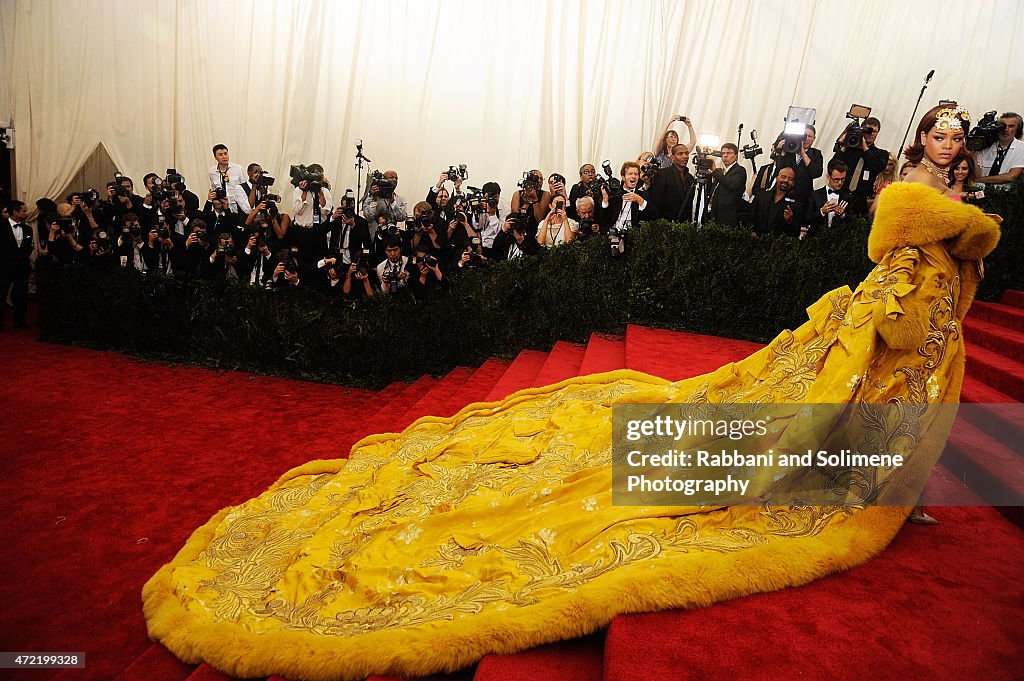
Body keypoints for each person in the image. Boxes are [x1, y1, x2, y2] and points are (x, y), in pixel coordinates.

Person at [143, 106, 1002, 681]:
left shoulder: (953, 196)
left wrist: (959, 255)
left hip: (926, 328)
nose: (947, 144)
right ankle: (871, 482)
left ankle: (894, 486)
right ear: (921, 141)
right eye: (940, 134)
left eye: (957, 137)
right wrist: (960, 238)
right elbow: (892, 241)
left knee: (899, 415)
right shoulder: (918, 195)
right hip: (893, 319)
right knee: (809, 422)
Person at [829, 116, 889, 216]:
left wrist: (864, 146)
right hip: (842, 194)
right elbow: (832, 166)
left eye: (874, 131)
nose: (871, 134)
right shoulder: (849, 150)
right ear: (862, 130)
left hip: (861, 199)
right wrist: (845, 145)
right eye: (868, 130)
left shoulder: (881, 153)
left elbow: (876, 167)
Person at [1, 200, 34, 330]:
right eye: (23, 210)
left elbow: (28, 247)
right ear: (14, 212)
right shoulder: (2, 227)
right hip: (4, 266)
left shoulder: (28, 229)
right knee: (1, 293)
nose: (26, 213)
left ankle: (20, 321)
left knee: (21, 295)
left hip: (22, 266)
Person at [750, 167, 803, 237]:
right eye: (783, 177)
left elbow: (795, 234)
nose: (786, 180)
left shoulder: (795, 206)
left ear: (793, 183)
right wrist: (751, 232)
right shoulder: (761, 196)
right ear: (776, 178)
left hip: (777, 246)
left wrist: (790, 221)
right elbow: (749, 217)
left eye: (790, 179)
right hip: (755, 242)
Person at [974, 112, 1024, 187]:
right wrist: (972, 153)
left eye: (1011, 126)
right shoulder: (986, 146)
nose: (1006, 129)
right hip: (980, 192)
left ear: (1018, 129)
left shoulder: (1021, 148)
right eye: (1002, 126)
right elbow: (975, 174)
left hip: (1005, 195)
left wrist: (980, 179)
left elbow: (1011, 176)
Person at [805, 160, 850, 236]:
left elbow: (853, 221)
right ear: (828, 177)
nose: (840, 183)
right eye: (836, 179)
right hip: (816, 240)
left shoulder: (848, 197)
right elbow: (807, 218)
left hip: (840, 240)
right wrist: (822, 211)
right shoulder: (814, 195)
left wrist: (843, 214)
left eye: (843, 179)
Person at [707, 143, 746, 227]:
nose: (725, 156)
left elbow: (732, 185)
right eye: (723, 153)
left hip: (728, 215)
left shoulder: (740, 170)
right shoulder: (720, 172)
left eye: (729, 153)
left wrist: (714, 172)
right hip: (714, 212)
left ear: (736, 156)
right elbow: (711, 190)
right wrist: (709, 175)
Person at [207, 144, 252, 214]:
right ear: (215, 157)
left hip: (238, 207)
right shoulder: (212, 172)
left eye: (225, 153)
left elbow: (246, 188)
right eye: (220, 155)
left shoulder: (238, 169)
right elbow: (213, 188)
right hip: (222, 209)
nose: (224, 157)